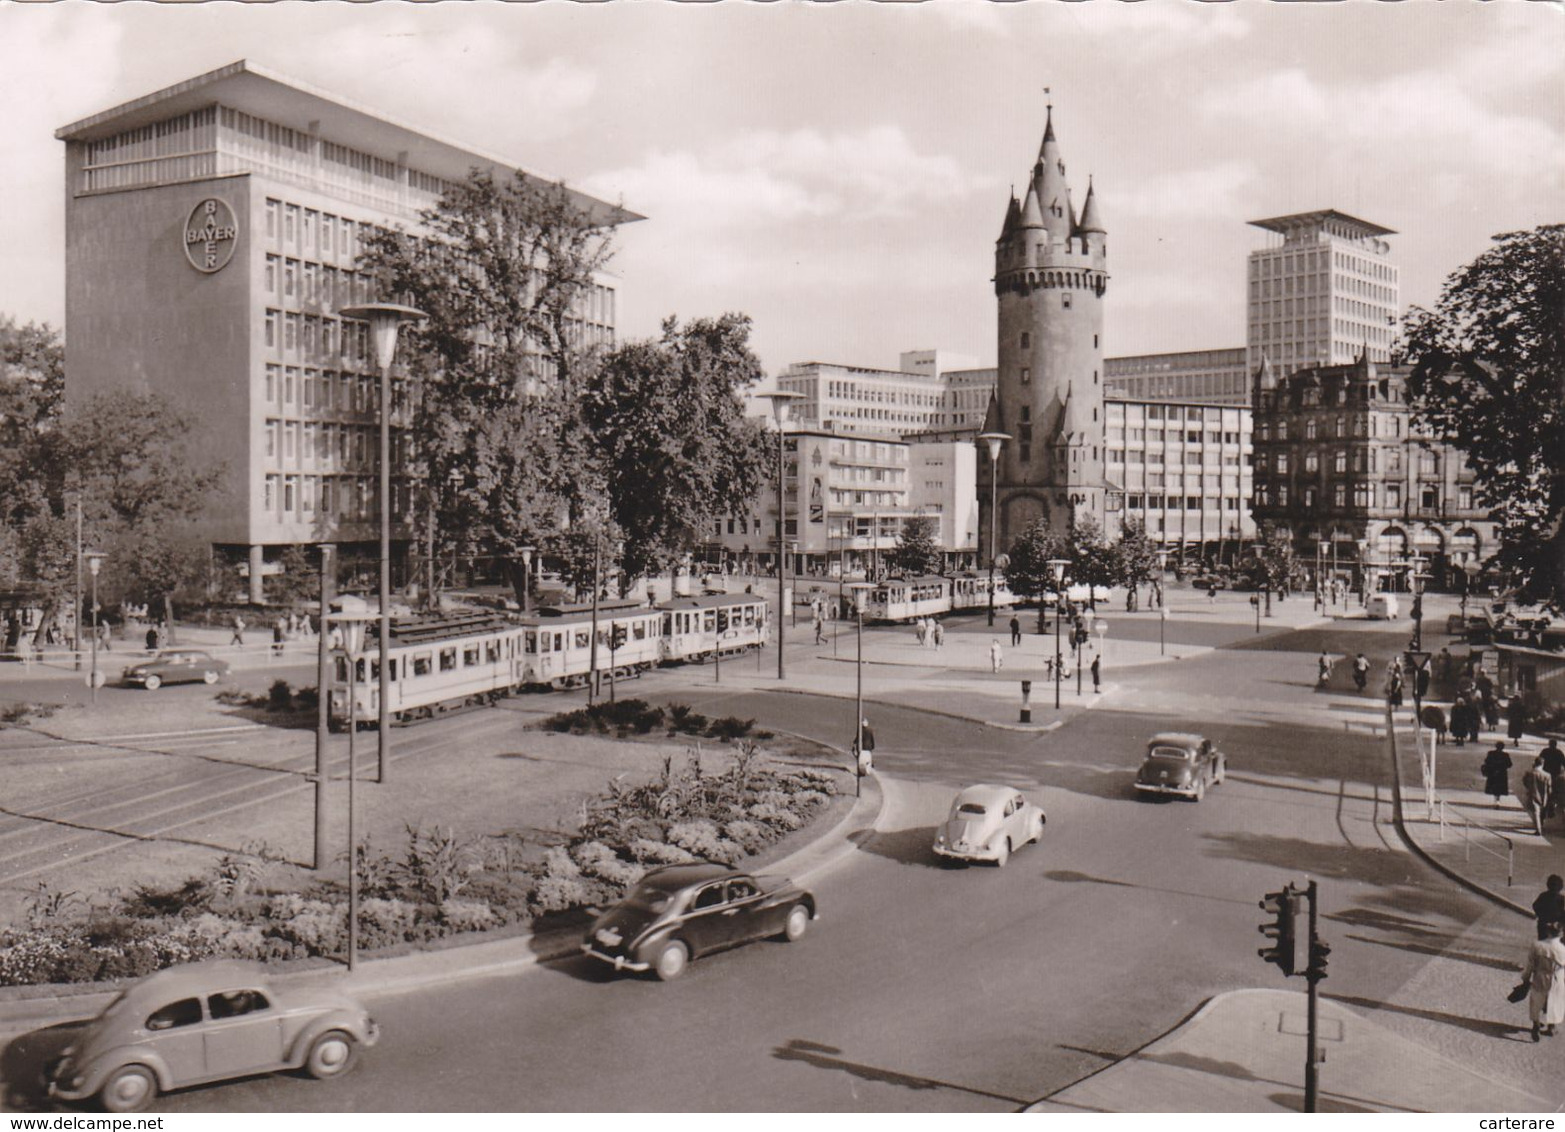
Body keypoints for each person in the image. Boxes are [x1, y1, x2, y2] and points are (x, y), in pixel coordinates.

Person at [1521, 921, 1565, 1042]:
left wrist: (1525, 977)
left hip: (1540, 977)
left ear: (1548, 932)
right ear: (1560, 934)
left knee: (1536, 1000)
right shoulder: (1562, 950)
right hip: (1556, 978)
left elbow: (1530, 963)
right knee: (1555, 1002)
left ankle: (1536, 1024)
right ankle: (1552, 1027)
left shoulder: (1537, 945)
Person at [1522, 756, 1552, 836]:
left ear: (1535, 763)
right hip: (1544, 796)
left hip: (1533, 794)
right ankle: (1541, 825)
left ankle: (1538, 829)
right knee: (1542, 812)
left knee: (1535, 812)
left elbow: (1524, 782)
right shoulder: (1547, 775)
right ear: (1542, 764)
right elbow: (1549, 787)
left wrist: (1529, 788)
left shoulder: (1529, 773)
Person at [1533, 875, 1565, 941]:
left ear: (1548, 885)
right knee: (1556, 942)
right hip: (1555, 924)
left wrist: (1540, 915)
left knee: (1543, 941)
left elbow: (1535, 906)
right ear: (1561, 887)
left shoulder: (1543, 896)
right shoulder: (1561, 899)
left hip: (1544, 923)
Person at [1482, 743, 1513, 808]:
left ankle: (1496, 800)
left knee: (1494, 787)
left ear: (1496, 746)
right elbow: (1510, 764)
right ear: (1503, 747)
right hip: (1502, 773)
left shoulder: (1491, 753)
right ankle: (1497, 800)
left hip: (1492, 773)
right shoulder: (1505, 755)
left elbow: (1486, 761)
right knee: (1499, 788)